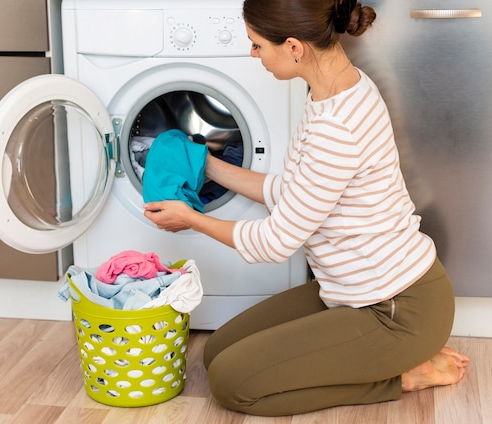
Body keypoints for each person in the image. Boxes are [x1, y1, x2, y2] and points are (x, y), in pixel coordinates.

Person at [143, 0, 470, 417]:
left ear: (295, 46)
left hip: (396, 310)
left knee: (231, 384)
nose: (253, 55)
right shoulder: (332, 92)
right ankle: (386, 359)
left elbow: (276, 241)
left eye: (258, 45)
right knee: (217, 353)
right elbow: (296, 194)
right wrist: (207, 165)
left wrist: (190, 219)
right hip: (353, 292)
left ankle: (401, 375)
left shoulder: (336, 127)